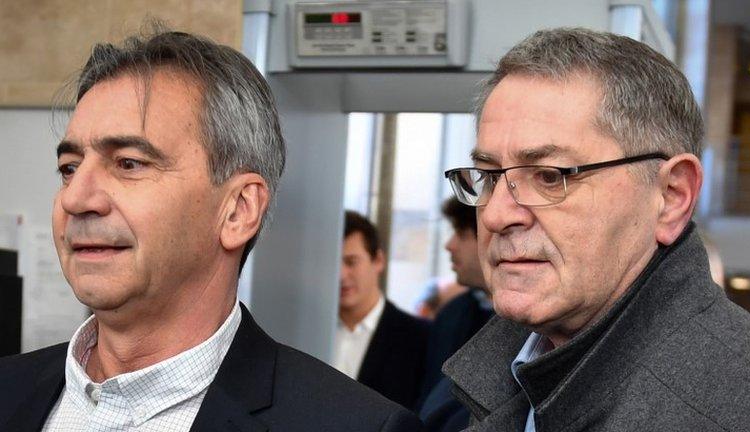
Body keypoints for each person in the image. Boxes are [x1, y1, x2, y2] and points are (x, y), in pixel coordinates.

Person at [0, 29, 421, 431]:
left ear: (238, 210)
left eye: (129, 163)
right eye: (69, 168)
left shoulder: (352, 424)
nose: (75, 199)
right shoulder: (9, 392)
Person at [442, 28, 750, 431]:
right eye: (490, 176)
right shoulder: (518, 363)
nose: (495, 216)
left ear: (671, 196)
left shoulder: (740, 409)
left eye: (549, 176)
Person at [333, 210, 430, 410]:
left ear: (378, 261)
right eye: (334, 263)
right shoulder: (305, 332)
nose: (342, 275)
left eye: (351, 262)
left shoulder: (420, 338)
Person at [418, 198, 496, 431]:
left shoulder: (531, 325)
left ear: (489, 236)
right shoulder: (451, 313)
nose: (449, 245)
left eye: (461, 234)